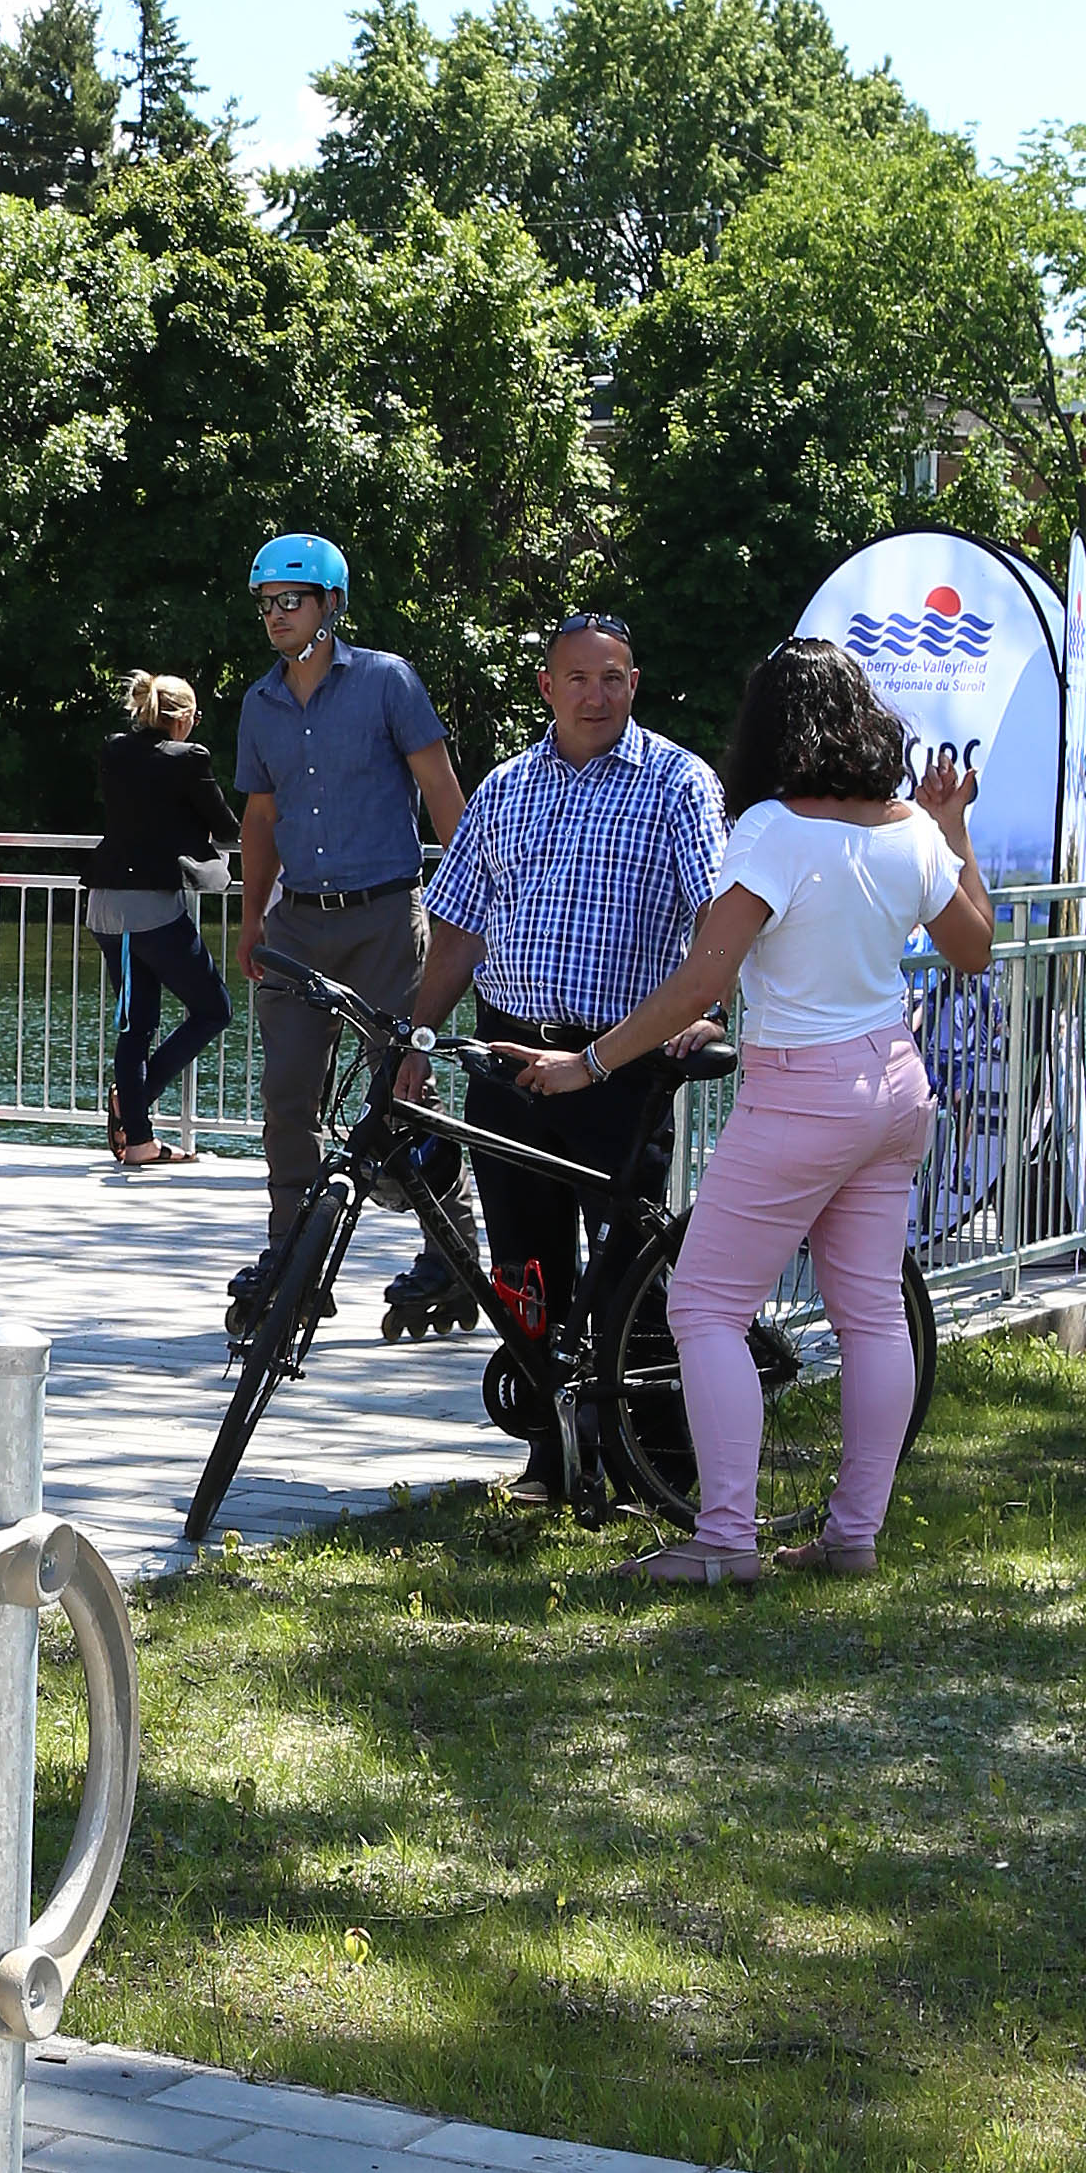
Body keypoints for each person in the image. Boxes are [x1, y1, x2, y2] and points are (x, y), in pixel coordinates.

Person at [517, 638, 985, 1585]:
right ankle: (853, 1534)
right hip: (895, 1086)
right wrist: (954, 830)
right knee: (871, 1319)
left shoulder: (772, 825)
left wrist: (588, 1061)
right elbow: (973, 950)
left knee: (703, 1304)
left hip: (803, 1092)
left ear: (769, 724)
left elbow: (703, 976)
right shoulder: (908, 829)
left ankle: (725, 1540)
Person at [406, 611, 727, 1502]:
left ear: (636, 683)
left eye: (614, 677)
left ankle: (655, 1463)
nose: (597, 694)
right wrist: (421, 1038)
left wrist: (712, 1009)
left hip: (620, 1062)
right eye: (578, 678)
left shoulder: (677, 783)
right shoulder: (505, 788)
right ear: (546, 687)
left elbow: (718, 918)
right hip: (507, 1055)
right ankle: (551, 1455)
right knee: (527, 1267)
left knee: (633, 1267)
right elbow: (458, 927)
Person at [231, 534, 470, 1315]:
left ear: (330, 605)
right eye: (266, 603)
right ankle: (291, 1254)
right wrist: (248, 919)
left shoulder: (386, 682)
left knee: (403, 1090)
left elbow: (441, 787)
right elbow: (260, 818)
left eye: (289, 600)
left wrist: (464, 899)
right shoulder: (259, 703)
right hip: (297, 922)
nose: (275, 615)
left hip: (387, 918)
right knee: (288, 1094)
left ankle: (450, 1253)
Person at [86, 673, 232, 1165]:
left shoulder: (115, 750)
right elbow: (224, 825)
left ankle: (140, 1139)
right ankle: (133, 1112)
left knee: (136, 1025)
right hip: (148, 908)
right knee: (213, 1008)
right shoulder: (189, 759)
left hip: (105, 905)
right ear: (185, 717)